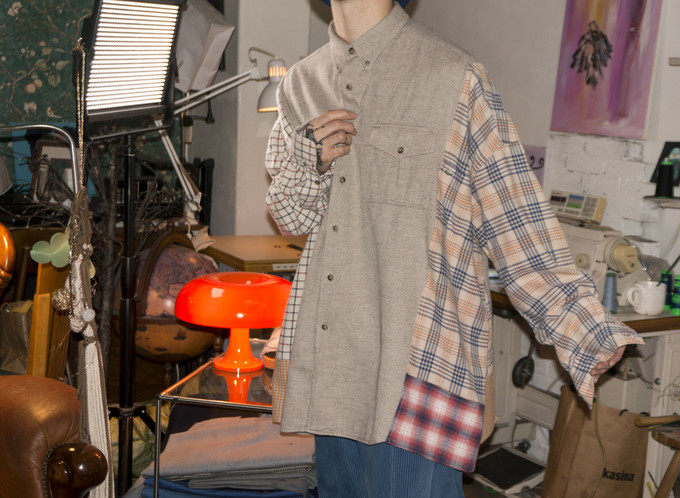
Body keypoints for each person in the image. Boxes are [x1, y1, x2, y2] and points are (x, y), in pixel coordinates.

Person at [265, 1, 644, 496]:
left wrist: (580, 325)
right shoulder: (301, 82)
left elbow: (512, 214)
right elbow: (291, 218)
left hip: (414, 367)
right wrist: (309, 160)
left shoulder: (453, 76)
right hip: (332, 363)